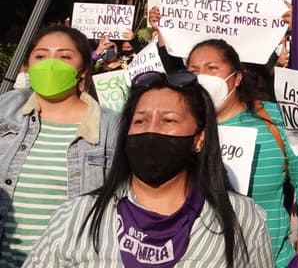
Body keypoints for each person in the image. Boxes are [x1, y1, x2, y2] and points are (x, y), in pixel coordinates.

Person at [23, 70, 274, 266]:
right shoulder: (76, 216)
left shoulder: (242, 218)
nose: (151, 130)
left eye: (169, 120)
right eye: (140, 120)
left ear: (200, 139)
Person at [187, 39, 298, 268]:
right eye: (194, 71)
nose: (202, 78)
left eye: (212, 68)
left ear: (237, 77)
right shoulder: (181, 126)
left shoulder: (278, 119)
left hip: (271, 259)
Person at [0, 25, 120, 266]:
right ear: (28, 65)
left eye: (64, 56)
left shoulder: (111, 127)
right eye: (40, 56)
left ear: (83, 70)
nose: (50, 64)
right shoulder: (6, 109)